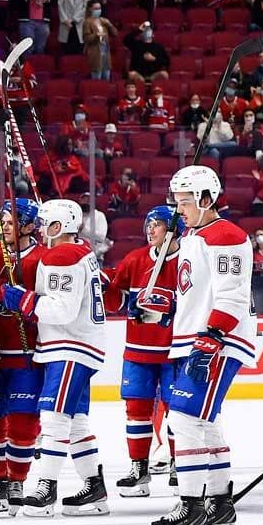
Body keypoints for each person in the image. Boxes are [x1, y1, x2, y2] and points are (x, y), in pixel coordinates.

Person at [133, 165, 254, 525]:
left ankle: (191, 506)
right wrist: (161, 309)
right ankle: (219, 504)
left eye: (185, 202)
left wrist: (212, 336)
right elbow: (195, 293)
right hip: (197, 338)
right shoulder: (193, 236)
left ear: (205, 199)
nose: (179, 209)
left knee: (183, 420)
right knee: (205, 422)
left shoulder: (226, 235)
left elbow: (231, 295)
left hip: (216, 340)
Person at [0, 200, 107, 515]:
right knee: (76, 422)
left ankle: (46, 488)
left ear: (58, 227)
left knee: (53, 417)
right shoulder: (81, 251)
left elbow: (59, 310)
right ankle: (95, 488)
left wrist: (15, 296)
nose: (39, 228)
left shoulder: (61, 255)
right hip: (81, 344)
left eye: (44, 223)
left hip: (69, 345)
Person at [97, 206, 180, 500]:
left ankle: (178, 466)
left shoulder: (187, 262)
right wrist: (102, 286)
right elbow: (117, 299)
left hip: (174, 352)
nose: (150, 229)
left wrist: (170, 312)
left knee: (178, 413)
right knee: (136, 412)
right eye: (148, 224)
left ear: (174, 229)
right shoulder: (135, 259)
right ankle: (139, 468)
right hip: (138, 351)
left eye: (157, 225)